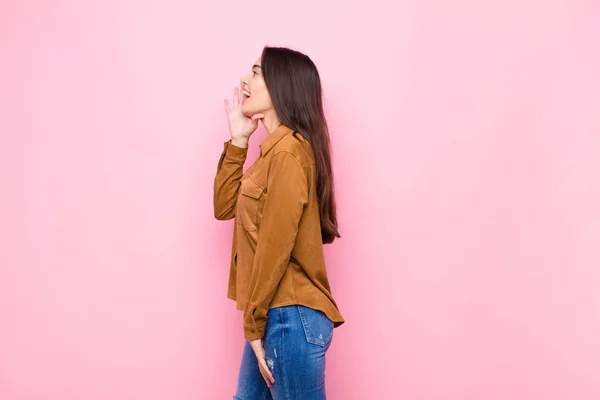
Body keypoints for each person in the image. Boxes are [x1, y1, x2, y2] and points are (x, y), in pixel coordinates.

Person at [213, 45, 345, 399]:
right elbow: (225, 208)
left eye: (255, 73)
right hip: (277, 316)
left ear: (280, 85)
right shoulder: (271, 154)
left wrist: (253, 326)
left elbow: (275, 246)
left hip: (289, 319)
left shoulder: (288, 153)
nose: (244, 79)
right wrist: (239, 141)